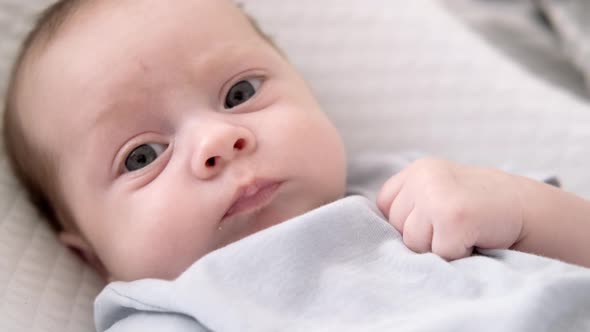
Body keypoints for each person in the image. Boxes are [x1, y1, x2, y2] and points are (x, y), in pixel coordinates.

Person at [3, 0, 590, 286]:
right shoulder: (168, 316)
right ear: (92, 257)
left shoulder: (414, 190)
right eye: (141, 156)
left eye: (239, 94)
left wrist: (518, 209)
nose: (219, 138)